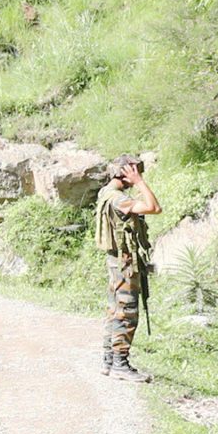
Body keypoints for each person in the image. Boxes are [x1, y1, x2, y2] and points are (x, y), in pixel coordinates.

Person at [93, 155, 161, 381]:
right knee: (126, 312)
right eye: (134, 172)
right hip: (125, 264)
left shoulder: (106, 193)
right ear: (126, 173)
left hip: (116, 262)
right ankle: (120, 364)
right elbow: (154, 207)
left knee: (114, 310)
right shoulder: (118, 199)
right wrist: (140, 182)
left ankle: (108, 361)